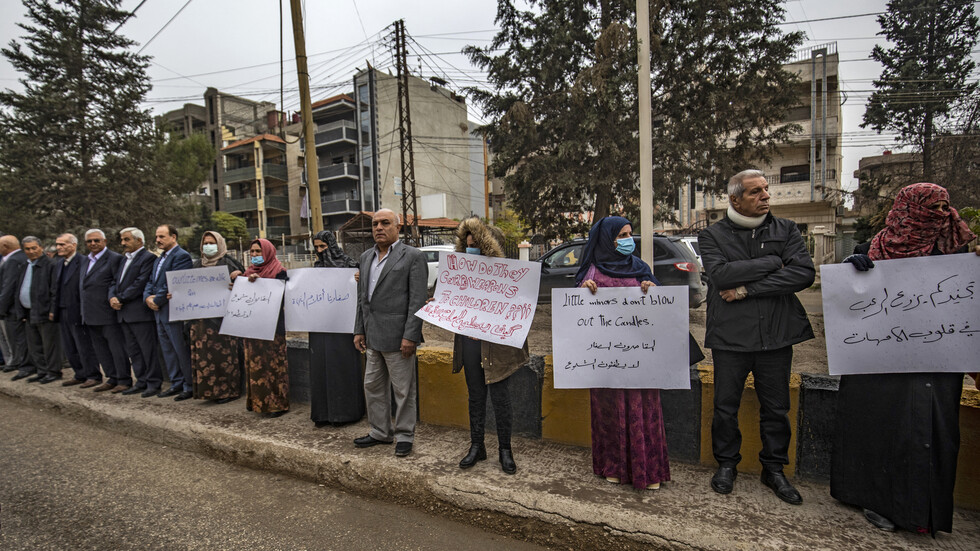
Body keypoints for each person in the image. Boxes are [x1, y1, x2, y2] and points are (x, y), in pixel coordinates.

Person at [832, 182, 979, 535]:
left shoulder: (958, 252)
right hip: (880, 364)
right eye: (930, 208)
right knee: (880, 427)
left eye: (944, 207)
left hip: (936, 361)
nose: (939, 215)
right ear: (906, 209)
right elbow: (849, 302)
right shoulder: (875, 248)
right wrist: (851, 270)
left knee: (928, 432)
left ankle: (922, 511)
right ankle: (875, 499)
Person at [698, 169, 815, 505]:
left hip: (776, 337)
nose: (765, 196)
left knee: (777, 409)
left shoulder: (786, 229)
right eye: (755, 192)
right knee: (725, 408)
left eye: (766, 190)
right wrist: (773, 261)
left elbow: (803, 273)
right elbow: (720, 275)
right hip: (730, 339)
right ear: (735, 199)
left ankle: (774, 469)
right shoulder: (713, 235)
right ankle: (726, 464)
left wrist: (749, 289)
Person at [575, 216, 669, 489]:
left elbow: (661, 306)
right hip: (606, 360)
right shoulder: (591, 271)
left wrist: (651, 290)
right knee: (609, 412)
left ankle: (648, 471)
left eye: (630, 233)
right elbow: (575, 312)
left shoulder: (640, 267)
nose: (629, 240)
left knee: (645, 410)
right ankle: (612, 466)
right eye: (622, 235)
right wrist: (583, 293)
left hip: (640, 359)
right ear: (607, 239)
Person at [452, 217, 528, 474]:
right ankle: (477, 446)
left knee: (500, 399)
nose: (471, 249)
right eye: (468, 244)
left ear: (489, 246)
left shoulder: (509, 276)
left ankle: (505, 450)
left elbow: (516, 311)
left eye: (476, 244)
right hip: (470, 346)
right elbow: (453, 304)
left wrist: (485, 326)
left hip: (498, 348)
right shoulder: (461, 273)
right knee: (475, 396)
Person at [352, 209, 428, 458]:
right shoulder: (365, 257)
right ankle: (379, 432)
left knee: (403, 391)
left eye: (385, 223)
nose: (379, 228)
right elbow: (362, 299)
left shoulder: (412, 256)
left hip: (399, 338)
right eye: (375, 224)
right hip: (372, 337)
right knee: (372, 386)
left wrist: (410, 336)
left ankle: (405, 435)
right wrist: (359, 330)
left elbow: (417, 300)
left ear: (398, 227)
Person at [308, 229, 364, 426]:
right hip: (319, 329)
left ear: (332, 245)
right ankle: (323, 414)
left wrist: (359, 279)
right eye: (316, 248)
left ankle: (345, 413)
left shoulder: (350, 266)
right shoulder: (315, 269)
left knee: (342, 368)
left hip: (343, 329)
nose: (320, 251)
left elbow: (362, 293)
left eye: (323, 246)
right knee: (320, 370)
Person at [229, 238, 289, 417]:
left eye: (258, 252)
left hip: (272, 329)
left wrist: (261, 283)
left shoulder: (280, 272)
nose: (254, 255)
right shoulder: (247, 273)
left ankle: (276, 405)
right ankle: (257, 403)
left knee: (273, 366)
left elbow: (284, 299)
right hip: (251, 327)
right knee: (255, 366)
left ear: (268, 252)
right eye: (252, 252)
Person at [189, 231, 244, 404]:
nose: (208, 246)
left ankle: (228, 391)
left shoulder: (229, 263)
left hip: (223, 321)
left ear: (219, 244)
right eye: (205, 243)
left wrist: (236, 282)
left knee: (224, 357)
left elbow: (245, 286)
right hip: (201, 322)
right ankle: (209, 392)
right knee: (204, 357)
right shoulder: (197, 265)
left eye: (212, 243)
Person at [143, 224, 194, 401]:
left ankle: (189, 385)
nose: (158, 240)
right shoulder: (159, 259)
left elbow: (175, 282)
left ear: (173, 237)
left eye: (162, 237)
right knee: (167, 350)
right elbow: (151, 281)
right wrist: (147, 297)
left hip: (173, 311)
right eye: (157, 237)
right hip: (159, 312)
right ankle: (176, 382)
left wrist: (157, 300)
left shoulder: (181, 256)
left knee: (180, 349)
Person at [110, 228, 160, 398]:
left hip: (140, 313)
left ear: (139, 241)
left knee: (147, 350)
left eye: (127, 239)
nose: (123, 243)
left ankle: (153, 382)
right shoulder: (124, 260)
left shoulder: (148, 258)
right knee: (134, 350)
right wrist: (112, 297)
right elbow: (115, 281)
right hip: (124, 313)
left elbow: (140, 283)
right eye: (122, 239)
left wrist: (121, 298)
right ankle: (141, 381)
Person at [79, 229, 130, 393]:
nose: (93, 244)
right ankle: (112, 377)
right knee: (101, 348)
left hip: (108, 312)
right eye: (89, 241)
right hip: (90, 313)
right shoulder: (86, 260)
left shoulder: (114, 259)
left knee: (116, 348)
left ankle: (124, 378)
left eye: (96, 240)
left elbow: (117, 283)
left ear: (105, 241)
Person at [51, 233, 101, 387]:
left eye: (62, 244)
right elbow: (56, 288)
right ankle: (79, 373)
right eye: (58, 244)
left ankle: (93, 375)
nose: (59, 247)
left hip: (78, 310)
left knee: (83, 345)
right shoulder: (59, 263)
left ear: (73, 245)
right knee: (69, 345)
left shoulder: (83, 261)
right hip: (63, 309)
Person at [16, 236, 62, 383]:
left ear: (41, 248)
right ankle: (42, 370)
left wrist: (52, 310)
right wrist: (21, 311)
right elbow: (19, 288)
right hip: (29, 311)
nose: (31, 251)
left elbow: (55, 290)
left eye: (34, 248)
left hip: (44, 310)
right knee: (34, 344)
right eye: (27, 249)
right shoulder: (25, 265)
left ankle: (53, 371)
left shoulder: (50, 265)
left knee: (49, 344)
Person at [0, 235, 30, 377]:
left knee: (14, 337)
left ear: (5, 246)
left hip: (11, 308)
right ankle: (13, 361)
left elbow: (8, 287)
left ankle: (15, 362)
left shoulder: (12, 260)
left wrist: (1, 308)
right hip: (17, 306)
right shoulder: (22, 257)